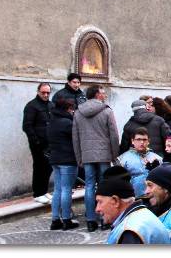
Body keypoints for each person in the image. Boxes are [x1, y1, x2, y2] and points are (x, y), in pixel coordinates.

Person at [72, 84, 121, 232]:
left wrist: (78, 156)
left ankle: (90, 220)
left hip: (87, 154)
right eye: (102, 93)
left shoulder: (78, 113)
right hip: (104, 154)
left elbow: (75, 137)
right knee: (104, 186)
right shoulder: (106, 111)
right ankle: (104, 219)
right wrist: (114, 154)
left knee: (88, 186)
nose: (104, 95)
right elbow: (114, 135)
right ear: (97, 95)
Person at [94, 166, 171, 244]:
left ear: (116, 201)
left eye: (100, 202)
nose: (97, 209)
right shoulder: (141, 214)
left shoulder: (130, 232)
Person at [47, 97, 78, 230]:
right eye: (71, 108)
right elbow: (75, 140)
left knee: (57, 190)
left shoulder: (51, 122)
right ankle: (66, 219)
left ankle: (55, 219)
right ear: (68, 108)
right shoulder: (67, 123)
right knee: (66, 189)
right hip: (67, 159)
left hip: (55, 159)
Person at [23, 82, 54, 204]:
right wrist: (36, 141)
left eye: (48, 93)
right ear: (38, 92)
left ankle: (44, 191)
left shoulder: (51, 105)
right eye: (43, 92)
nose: (46, 95)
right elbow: (27, 126)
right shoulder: (31, 106)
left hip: (50, 142)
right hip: (38, 144)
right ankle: (38, 193)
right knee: (39, 167)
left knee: (48, 167)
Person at [116, 128, 163, 197]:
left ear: (148, 141)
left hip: (153, 197)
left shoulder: (157, 159)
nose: (142, 142)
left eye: (144, 140)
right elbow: (118, 181)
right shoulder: (122, 159)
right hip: (133, 197)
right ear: (132, 141)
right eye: (138, 139)